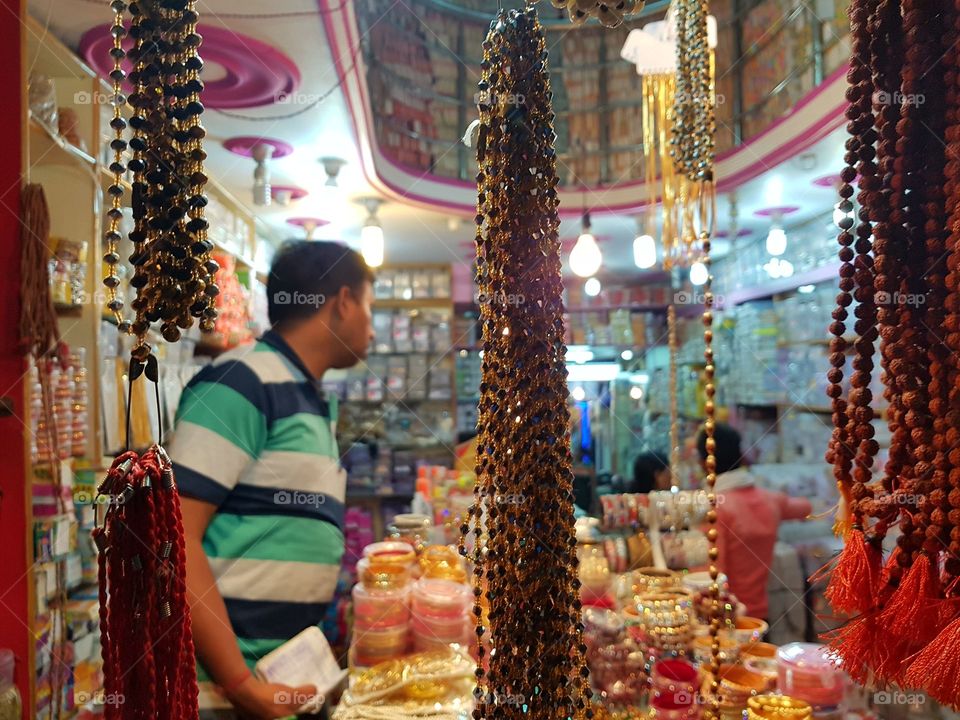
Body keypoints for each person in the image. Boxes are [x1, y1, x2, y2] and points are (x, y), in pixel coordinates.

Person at [171, 241, 375, 719]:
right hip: (222, 696)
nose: (371, 326)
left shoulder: (304, 395)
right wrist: (241, 684)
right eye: (369, 305)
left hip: (275, 683)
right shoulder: (241, 381)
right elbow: (175, 536)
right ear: (343, 301)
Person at [696, 423, 811, 620]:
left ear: (702, 462)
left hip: (727, 619)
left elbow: (711, 577)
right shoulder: (770, 500)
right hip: (760, 616)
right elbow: (806, 507)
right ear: (741, 455)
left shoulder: (714, 509)